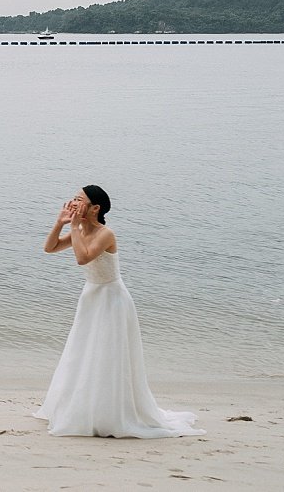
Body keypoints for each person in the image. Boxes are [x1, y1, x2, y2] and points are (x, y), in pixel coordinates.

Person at [34, 184, 203, 438]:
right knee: (82, 351)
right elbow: (50, 248)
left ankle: (109, 412)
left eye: (79, 200)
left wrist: (73, 227)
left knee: (108, 355)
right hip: (91, 297)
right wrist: (60, 223)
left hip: (112, 300)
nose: (73, 203)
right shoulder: (79, 229)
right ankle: (80, 406)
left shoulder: (106, 234)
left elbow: (83, 258)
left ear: (95, 208)